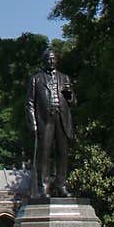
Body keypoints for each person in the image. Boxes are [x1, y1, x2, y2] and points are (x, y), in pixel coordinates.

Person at [26, 47, 75, 198]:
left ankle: (61, 185)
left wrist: (69, 95)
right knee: (44, 155)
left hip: (62, 119)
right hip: (44, 121)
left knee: (62, 154)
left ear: (57, 60)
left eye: (53, 58)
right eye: (48, 58)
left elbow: (73, 102)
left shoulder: (64, 78)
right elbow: (29, 103)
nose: (51, 61)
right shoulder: (36, 79)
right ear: (44, 61)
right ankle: (44, 187)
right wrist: (33, 124)